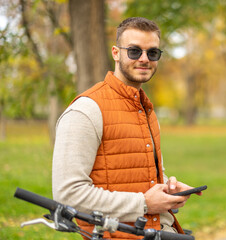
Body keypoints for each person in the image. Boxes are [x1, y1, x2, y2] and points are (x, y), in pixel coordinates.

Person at [52, 17, 201, 240]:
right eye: (134, 51)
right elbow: (68, 194)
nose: (144, 59)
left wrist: (166, 187)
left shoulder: (146, 109)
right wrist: (143, 203)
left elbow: (132, 173)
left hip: (160, 232)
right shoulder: (86, 110)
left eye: (152, 53)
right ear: (115, 52)